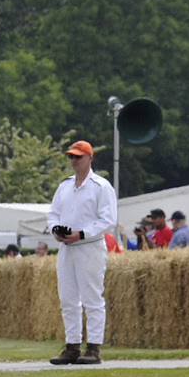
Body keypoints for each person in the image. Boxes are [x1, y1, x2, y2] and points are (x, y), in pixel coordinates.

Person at [45, 139, 118, 365]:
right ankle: (72, 346)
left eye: (78, 156)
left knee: (92, 298)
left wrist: (82, 233)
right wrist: (55, 230)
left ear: (90, 158)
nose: (74, 161)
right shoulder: (64, 186)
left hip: (89, 246)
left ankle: (94, 348)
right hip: (67, 247)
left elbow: (107, 219)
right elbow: (53, 214)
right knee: (67, 298)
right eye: (71, 157)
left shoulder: (101, 186)